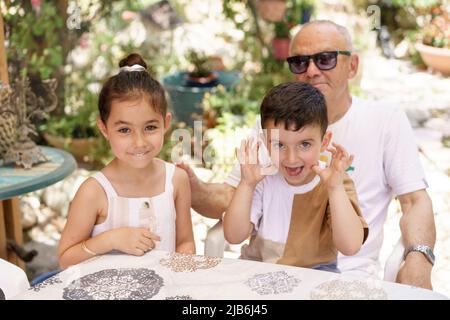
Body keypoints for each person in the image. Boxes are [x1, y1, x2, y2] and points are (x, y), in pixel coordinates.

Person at [178, 21, 436, 289]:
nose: (312, 70)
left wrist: (419, 257)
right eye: (299, 62)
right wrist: (194, 189)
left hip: (342, 276)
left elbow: (415, 201)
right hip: (263, 276)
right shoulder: (271, 130)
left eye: (326, 59)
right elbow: (232, 203)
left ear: (353, 66)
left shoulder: (385, 121)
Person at [59, 53, 195, 269]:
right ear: (104, 128)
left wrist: (182, 268)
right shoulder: (94, 192)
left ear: (166, 123)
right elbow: (66, 259)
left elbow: (185, 242)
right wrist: (110, 239)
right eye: (124, 130)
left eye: (150, 127)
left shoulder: (176, 181)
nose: (139, 142)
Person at [223, 82, 368, 272]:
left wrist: (334, 188)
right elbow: (233, 236)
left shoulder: (334, 181)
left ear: (324, 142)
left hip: (314, 273)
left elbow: (350, 246)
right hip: (258, 269)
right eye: (279, 145)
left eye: (305, 144)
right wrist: (246, 185)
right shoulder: (261, 178)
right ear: (265, 143)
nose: (291, 159)